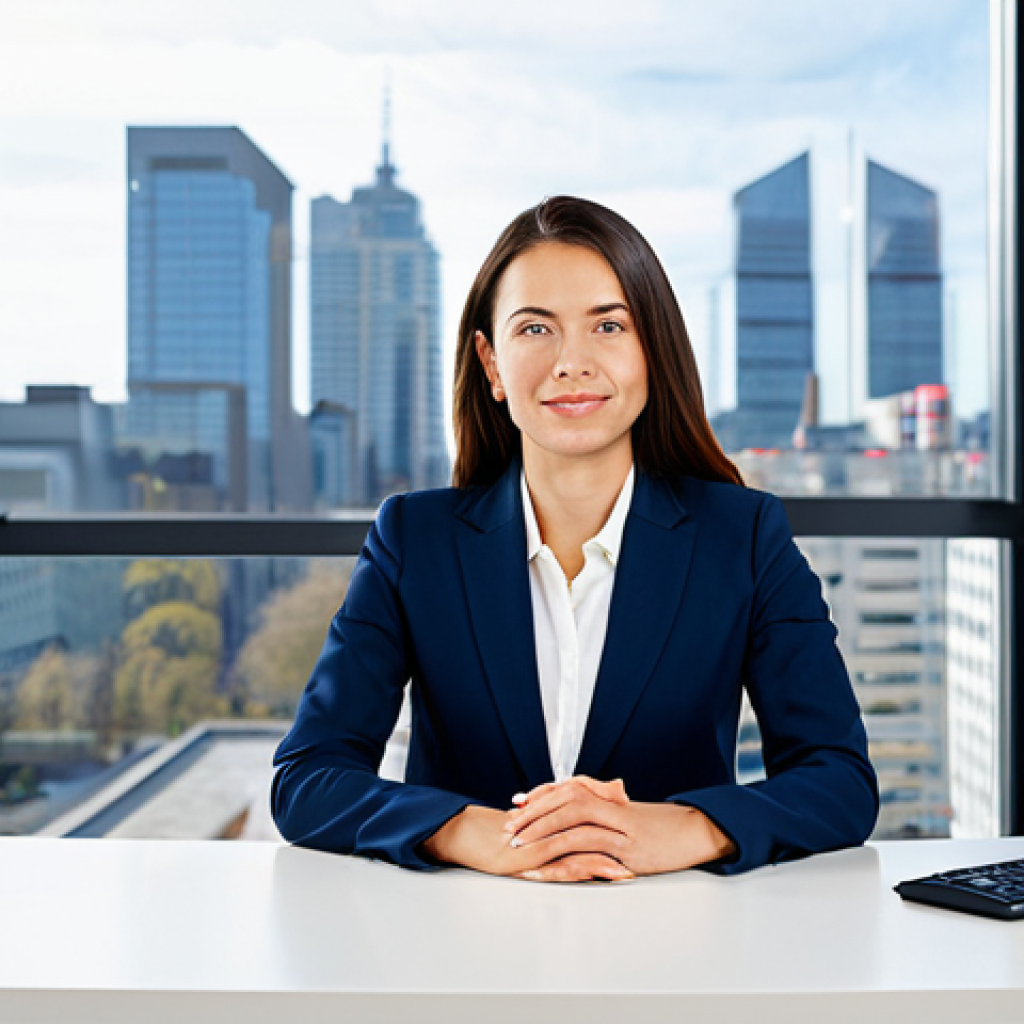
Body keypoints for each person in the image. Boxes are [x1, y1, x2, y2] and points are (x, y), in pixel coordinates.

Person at [271, 196, 879, 882]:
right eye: (535, 329)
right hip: (462, 927)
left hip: (678, 927)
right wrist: (473, 832)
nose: (572, 363)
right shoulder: (415, 541)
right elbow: (306, 780)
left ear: (652, 351)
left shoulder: (744, 537)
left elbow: (840, 782)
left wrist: (685, 828)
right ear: (491, 363)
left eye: (609, 326)